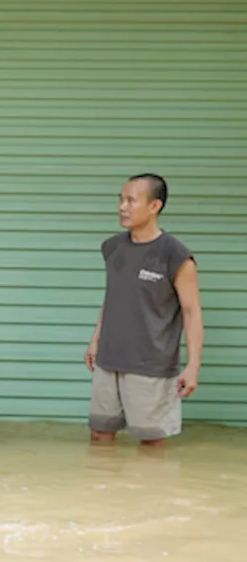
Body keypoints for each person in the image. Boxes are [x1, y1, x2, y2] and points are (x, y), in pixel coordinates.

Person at [85, 174, 203, 446]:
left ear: (155, 206)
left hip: (151, 365)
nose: (122, 207)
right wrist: (96, 340)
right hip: (109, 359)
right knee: (99, 435)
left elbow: (192, 311)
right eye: (120, 200)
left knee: (151, 443)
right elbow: (113, 297)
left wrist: (193, 366)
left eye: (130, 200)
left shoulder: (175, 254)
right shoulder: (112, 248)